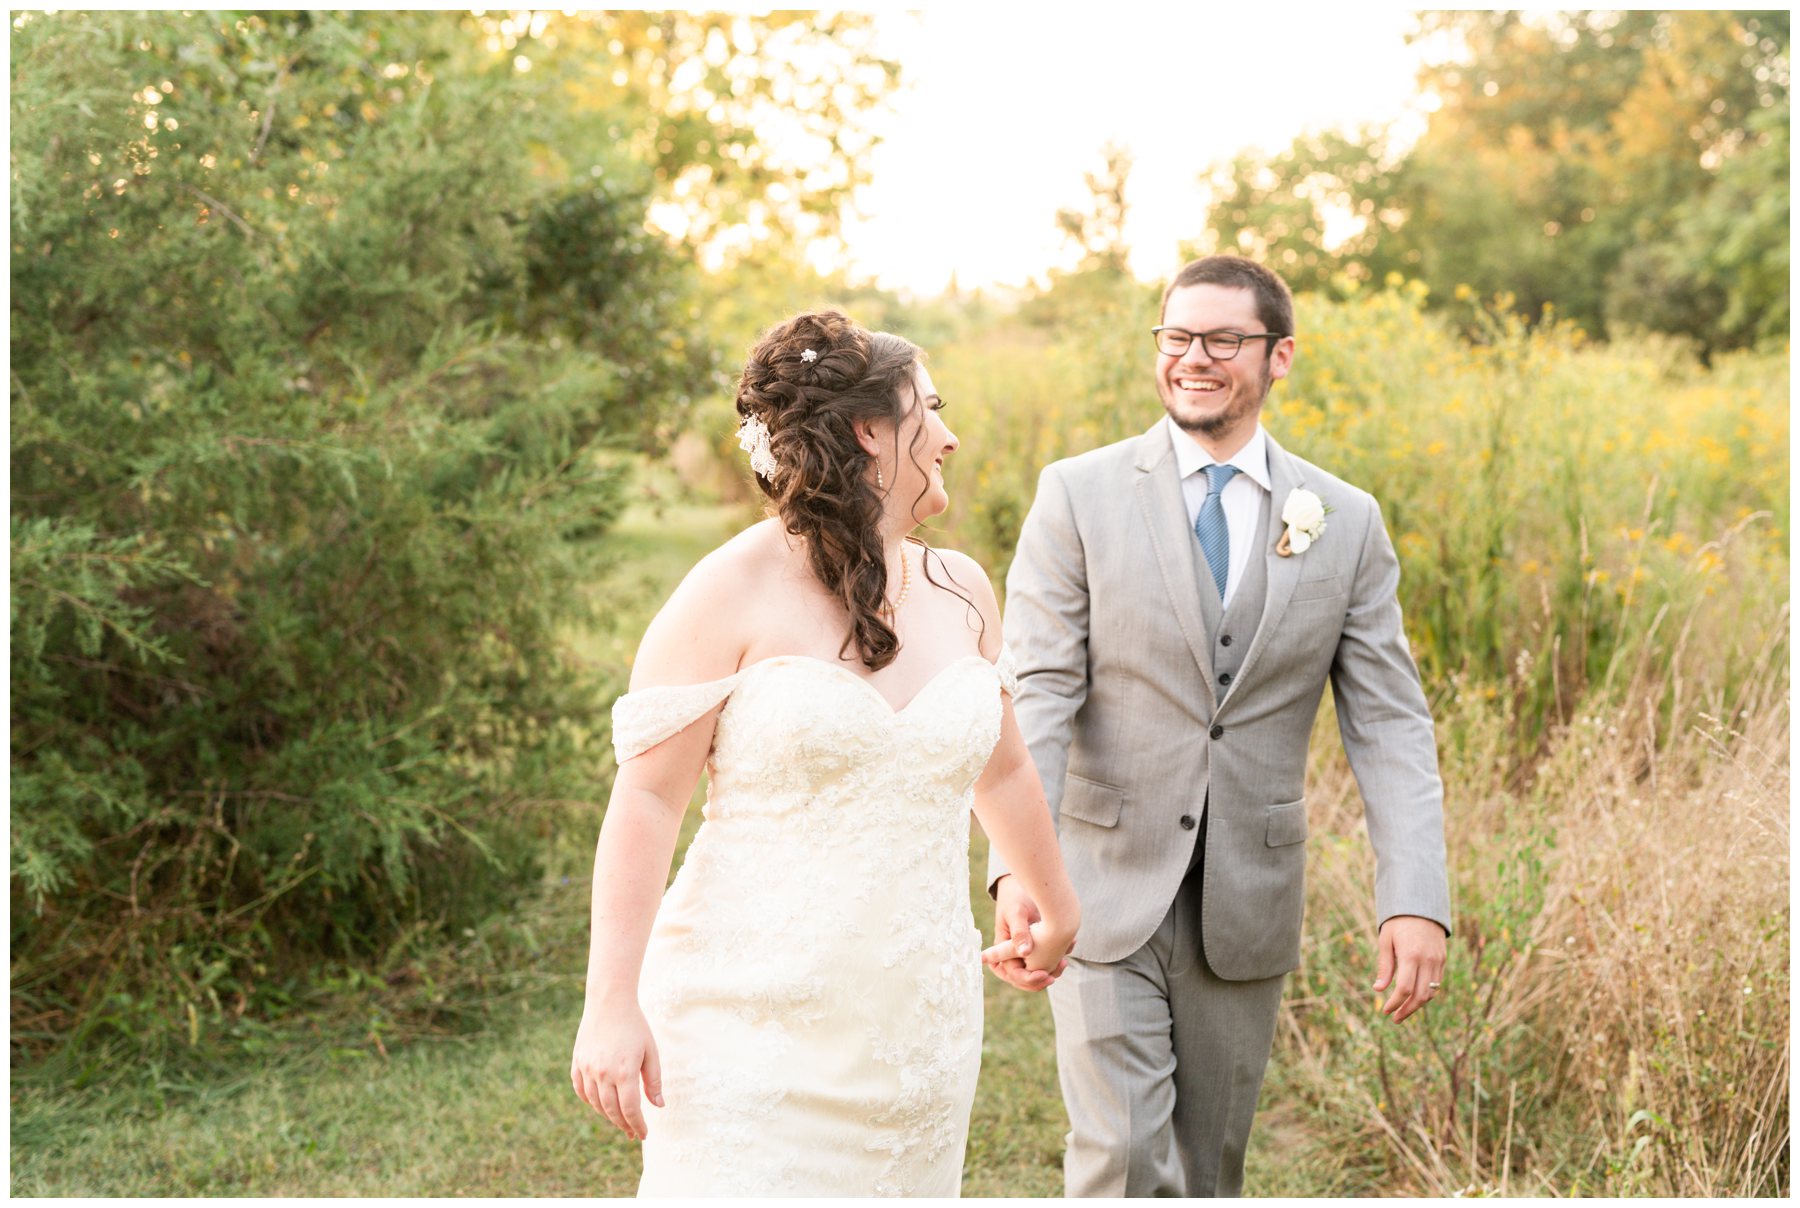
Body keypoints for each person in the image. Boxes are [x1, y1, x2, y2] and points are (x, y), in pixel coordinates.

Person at [569, 310, 1080, 1197]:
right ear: (868, 432)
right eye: (932, 409)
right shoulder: (727, 590)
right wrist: (610, 1004)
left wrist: (1056, 903)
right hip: (745, 1022)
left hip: (917, 1027)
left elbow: (1002, 768)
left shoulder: (963, 591)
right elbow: (647, 804)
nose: (951, 436)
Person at [982, 255, 1452, 1197]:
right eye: (1176, 336)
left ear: (1279, 358)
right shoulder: (1078, 494)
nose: (1194, 358)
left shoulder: (1346, 522)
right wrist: (1018, 870)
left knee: (1211, 1173)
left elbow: (1391, 725)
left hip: (1249, 902)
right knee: (1120, 1160)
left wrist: (1416, 896)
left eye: (1223, 340)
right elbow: (1034, 690)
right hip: (1100, 884)